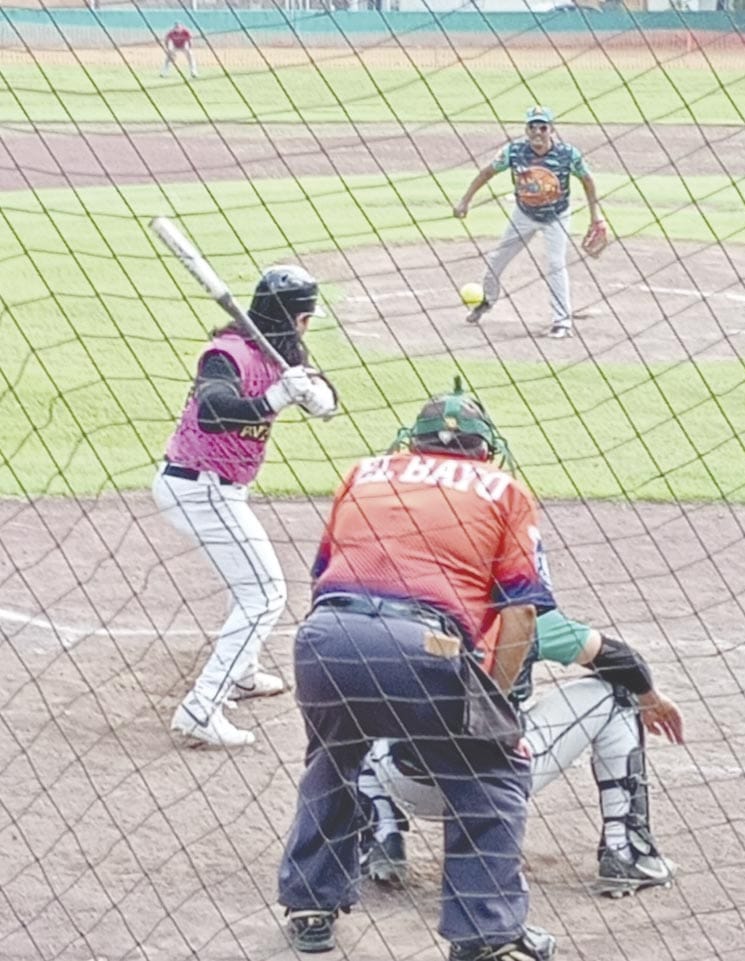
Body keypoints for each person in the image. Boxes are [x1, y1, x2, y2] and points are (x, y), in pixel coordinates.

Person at [278, 379, 560, 961]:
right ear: (484, 449)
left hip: (326, 639)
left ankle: (310, 908)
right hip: (423, 645)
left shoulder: (365, 473)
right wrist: (492, 706)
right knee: (492, 779)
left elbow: (323, 573)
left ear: (416, 442)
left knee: (333, 762)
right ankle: (484, 934)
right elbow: (522, 614)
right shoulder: (505, 490)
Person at [359, 608, 685, 898]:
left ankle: (381, 834)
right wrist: (650, 697)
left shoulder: (405, 601)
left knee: (352, 687)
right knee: (619, 694)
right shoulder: (524, 613)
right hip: (493, 787)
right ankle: (626, 850)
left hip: (402, 779)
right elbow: (624, 662)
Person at [153, 265, 337, 749]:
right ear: (297, 317)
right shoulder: (227, 354)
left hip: (218, 489)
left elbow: (329, 398)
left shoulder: (282, 354)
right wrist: (274, 398)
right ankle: (201, 709)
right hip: (197, 487)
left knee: (250, 582)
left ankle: (243, 672)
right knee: (265, 593)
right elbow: (214, 411)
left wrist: (315, 395)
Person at [454, 105, 603, 339]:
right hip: (524, 215)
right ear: (526, 129)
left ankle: (562, 322)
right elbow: (487, 173)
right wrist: (465, 201)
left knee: (555, 264)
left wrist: (596, 215)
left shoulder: (567, 154)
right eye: (532, 127)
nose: (537, 132)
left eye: (542, 127)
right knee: (496, 260)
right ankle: (487, 301)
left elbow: (587, 180)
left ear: (551, 129)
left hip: (557, 216)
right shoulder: (514, 152)